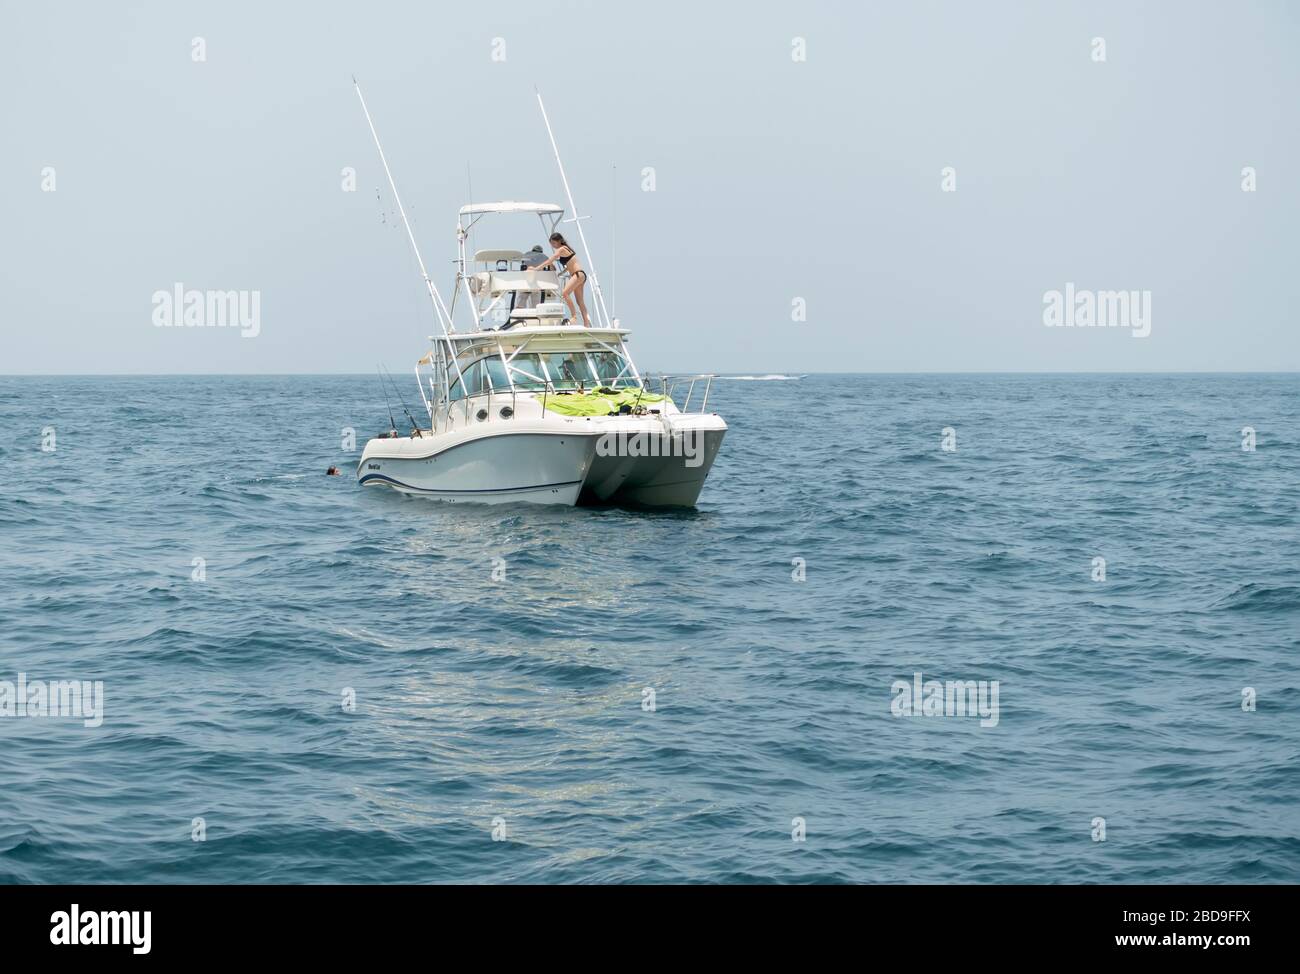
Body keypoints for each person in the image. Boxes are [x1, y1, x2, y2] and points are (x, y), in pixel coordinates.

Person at [532, 233, 590, 326]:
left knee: (565, 293)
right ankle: (586, 324)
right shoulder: (567, 249)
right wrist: (561, 273)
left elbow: (550, 260)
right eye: (551, 244)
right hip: (580, 275)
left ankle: (574, 317)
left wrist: (536, 269)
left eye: (554, 243)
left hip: (577, 274)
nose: (553, 246)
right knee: (580, 302)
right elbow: (571, 264)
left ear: (559, 241)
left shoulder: (562, 249)